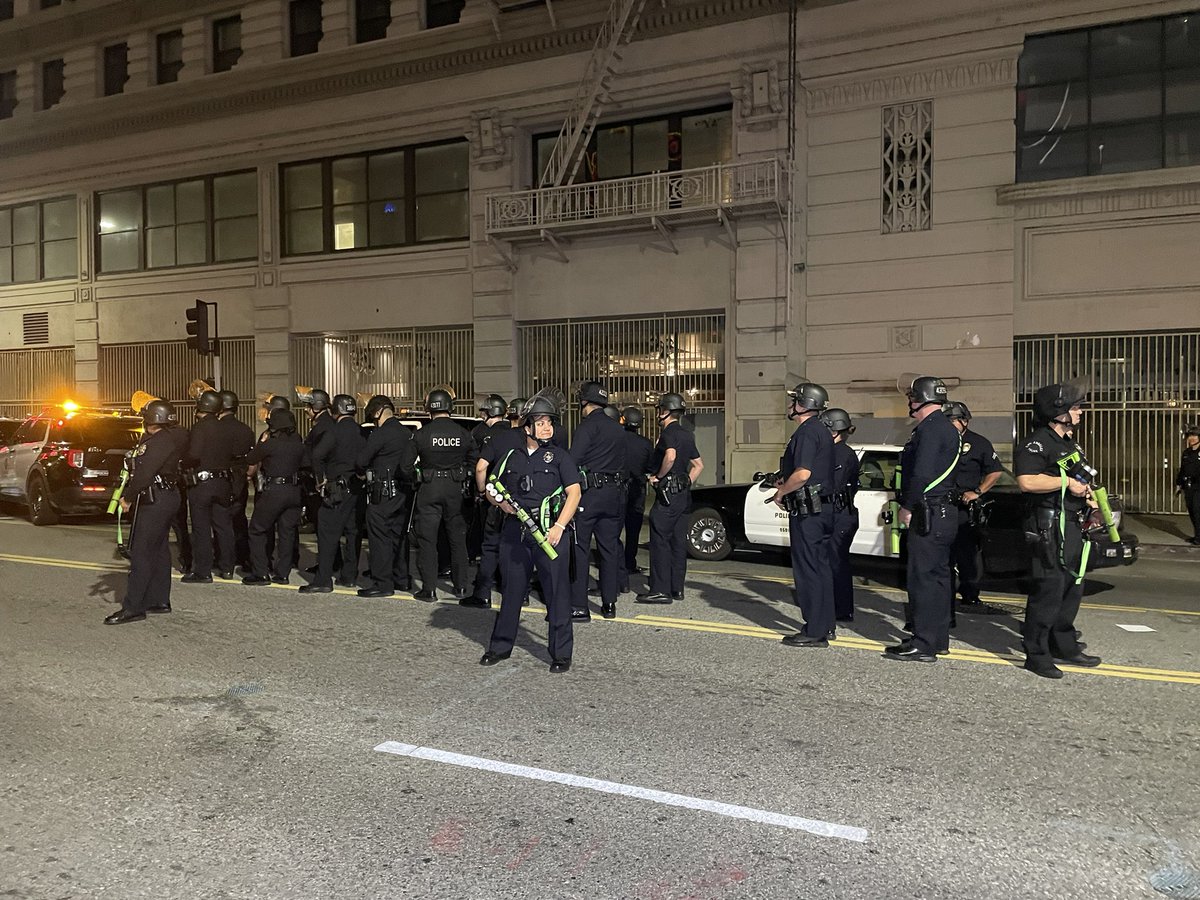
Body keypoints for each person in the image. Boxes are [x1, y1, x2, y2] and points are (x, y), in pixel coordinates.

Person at [480, 394, 582, 672]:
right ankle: (500, 647)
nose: (547, 427)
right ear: (527, 428)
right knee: (511, 592)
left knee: (557, 593)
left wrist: (559, 527)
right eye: (540, 422)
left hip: (551, 532)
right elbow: (491, 487)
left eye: (549, 422)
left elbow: (574, 492)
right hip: (516, 533)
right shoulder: (511, 457)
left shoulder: (560, 456)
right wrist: (500, 503)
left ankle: (561, 653)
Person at [1014, 382, 1103, 678]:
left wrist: (1090, 498)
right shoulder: (1036, 443)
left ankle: (1062, 643)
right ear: (1057, 411)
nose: (1079, 412)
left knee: (1072, 586)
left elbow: (1081, 478)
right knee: (1048, 588)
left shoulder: (1070, 443)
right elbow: (1027, 481)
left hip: (1073, 523)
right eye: (1075, 407)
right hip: (1048, 525)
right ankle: (1036, 652)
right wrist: (1066, 483)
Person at [884, 376, 960, 663]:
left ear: (920, 399)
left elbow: (922, 474)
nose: (909, 402)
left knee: (923, 580)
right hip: (943, 513)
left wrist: (907, 505)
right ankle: (936, 638)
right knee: (939, 579)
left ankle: (924, 644)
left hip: (928, 511)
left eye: (911, 397)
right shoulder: (947, 427)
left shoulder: (930, 429)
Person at [105, 400, 186, 624]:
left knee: (141, 552)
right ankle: (159, 600)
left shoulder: (157, 441)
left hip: (155, 498)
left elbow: (144, 474)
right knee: (159, 549)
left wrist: (128, 497)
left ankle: (134, 607)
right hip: (167, 496)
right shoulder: (170, 438)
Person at [772, 384, 835, 646]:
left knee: (808, 571)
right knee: (820, 569)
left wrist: (781, 493)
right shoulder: (821, 430)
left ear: (804, 404)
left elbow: (803, 474)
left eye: (795, 400)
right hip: (821, 509)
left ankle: (814, 632)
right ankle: (825, 624)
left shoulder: (807, 432)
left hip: (809, 512)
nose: (791, 405)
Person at [635, 393, 702, 604]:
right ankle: (676, 588)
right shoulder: (686, 435)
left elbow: (670, 456)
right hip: (683, 495)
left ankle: (660, 590)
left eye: (659, 410)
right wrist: (686, 482)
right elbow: (699, 465)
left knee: (660, 540)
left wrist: (659, 477)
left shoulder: (669, 433)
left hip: (667, 496)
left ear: (665, 411)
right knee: (678, 541)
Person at [568, 380, 627, 620]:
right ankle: (609, 604)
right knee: (609, 549)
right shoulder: (617, 429)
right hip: (613, 494)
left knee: (580, 548)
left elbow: (573, 460)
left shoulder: (587, 427)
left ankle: (580, 606)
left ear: (585, 401)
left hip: (590, 494)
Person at [412, 388, 475, 600]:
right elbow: (474, 461)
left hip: (429, 487)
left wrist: (416, 477)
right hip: (455, 488)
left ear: (429, 408)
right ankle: (461, 587)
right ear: (450, 407)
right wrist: (464, 473)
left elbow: (405, 465)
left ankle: (429, 589)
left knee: (427, 540)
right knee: (457, 539)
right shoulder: (463, 433)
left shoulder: (421, 434)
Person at [301, 394, 366, 594]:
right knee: (353, 532)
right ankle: (349, 576)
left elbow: (317, 456)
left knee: (327, 533)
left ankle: (323, 579)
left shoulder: (333, 431)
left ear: (335, 410)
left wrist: (321, 481)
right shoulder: (360, 431)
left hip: (336, 488)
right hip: (356, 488)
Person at [356, 394, 418, 598]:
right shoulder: (406, 433)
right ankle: (401, 579)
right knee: (398, 535)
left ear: (377, 413)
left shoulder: (380, 434)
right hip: (403, 492)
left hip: (382, 493)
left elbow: (362, 460)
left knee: (379, 536)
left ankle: (383, 583)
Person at [945, 401, 1003, 615]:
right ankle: (946, 597)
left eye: (952, 420)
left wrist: (977, 492)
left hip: (964, 507)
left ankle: (970, 596)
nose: (949, 425)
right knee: (944, 556)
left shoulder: (978, 443)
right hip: (943, 505)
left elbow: (995, 471)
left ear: (964, 420)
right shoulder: (941, 441)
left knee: (967, 555)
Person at [241, 408, 310, 586]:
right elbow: (306, 465)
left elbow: (250, 458)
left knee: (257, 529)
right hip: (294, 491)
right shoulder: (299, 445)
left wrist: (262, 442)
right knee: (287, 532)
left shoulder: (270, 444)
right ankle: (282, 574)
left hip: (274, 491)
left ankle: (260, 573)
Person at [182, 389, 238, 583]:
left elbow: (194, 454)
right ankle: (227, 567)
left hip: (202, 484)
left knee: (201, 528)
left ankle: (203, 571)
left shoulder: (200, 428)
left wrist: (184, 461)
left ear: (201, 407)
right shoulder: (226, 428)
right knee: (224, 526)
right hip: (223, 482)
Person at [467, 395, 516, 608]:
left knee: (491, 546)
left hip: (494, 498)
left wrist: (480, 490)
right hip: (521, 498)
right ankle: (516, 591)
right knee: (515, 547)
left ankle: (483, 593)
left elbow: (479, 467)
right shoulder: (524, 437)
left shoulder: (486, 435)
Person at [821, 407, 860, 624]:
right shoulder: (839, 452)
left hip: (840, 513)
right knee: (834, 561)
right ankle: (838, 606)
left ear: (834, 431)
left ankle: (841, 609)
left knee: (836, 563)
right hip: (841, 512)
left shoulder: (841, 453)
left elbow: (833, 486)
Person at [217, 389, 255, 572]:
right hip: (240, 477)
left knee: (221, 520)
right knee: (239, 519)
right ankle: (244, 557)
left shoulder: (218, 429)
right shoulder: (246, 429)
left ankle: (224, 558)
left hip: (223, 476)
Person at [619, 406, 654, 591]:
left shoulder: (616, 440)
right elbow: (651, 466)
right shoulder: (645, 443)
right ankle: (629, 562)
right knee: (633, 531)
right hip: (637, 490)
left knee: (613, 531)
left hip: (618, 489)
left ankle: (615, 564)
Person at [1177, 423, 1200, 544]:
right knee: (1191, 511)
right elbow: (1182, 469)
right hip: (1189, 486)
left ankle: (1199, 537)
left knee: (1197, 511)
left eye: (1194, 436)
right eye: (1189, 436)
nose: (1191, 438)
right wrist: (1179, 483)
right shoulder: (1186, 452)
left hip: (1199, 486)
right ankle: (1197, 535)